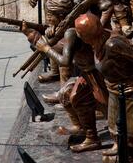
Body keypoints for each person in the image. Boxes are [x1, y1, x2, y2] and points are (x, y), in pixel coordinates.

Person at [74, 11, 133, 163]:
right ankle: (127, 154)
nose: (78, 35)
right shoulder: (97, 43)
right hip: (115, 90)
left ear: (87, 35)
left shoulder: (113, 44)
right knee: (116, 126)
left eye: (79, 33)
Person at [35, 22, 108, 153]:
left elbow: (65, 61)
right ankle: (79, 127)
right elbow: (59, 47)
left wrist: (46, 48)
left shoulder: (76, 33)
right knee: (65, 93)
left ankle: (93, 138)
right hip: (85, 75)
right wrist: (46, 34)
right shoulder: (69, 31)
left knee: (87, 101)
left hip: (96, 77)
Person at [22, 0, 74, 104]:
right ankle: (62, 88)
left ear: (61, 16)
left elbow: (63, 58)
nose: (48, 18)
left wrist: (44, 46)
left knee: (58, 54)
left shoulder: (70, 32)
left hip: (88, 71)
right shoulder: (63, 25)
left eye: (50, 16)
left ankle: (63, 93)